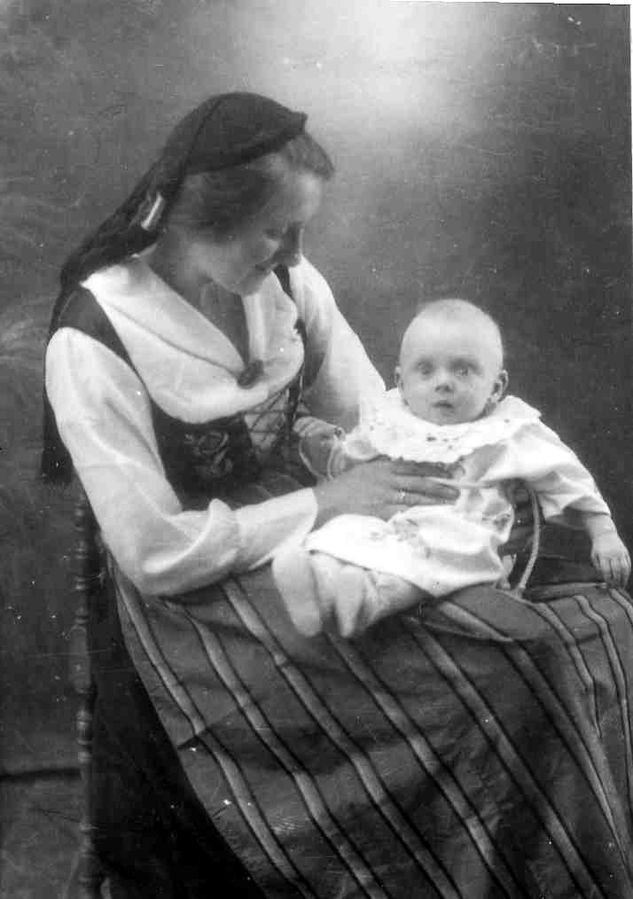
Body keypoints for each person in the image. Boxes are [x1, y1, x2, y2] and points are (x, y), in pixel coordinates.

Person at [42, 93, 633, 898]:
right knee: (511, 671)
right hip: (199, 586)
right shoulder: (94, 334)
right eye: (276, 229)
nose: (293, 250)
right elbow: (153, 553)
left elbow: (368, 415)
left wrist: (457, 477)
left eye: (300, 231)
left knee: (594, 626)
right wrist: (330, 503)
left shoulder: (287, 280)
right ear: (201, 215)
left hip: (335, 516)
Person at [273, 299, 630, 638]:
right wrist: (330, 453)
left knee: (439, 551)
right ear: (401, 383)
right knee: (348, 529)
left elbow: (565, 478)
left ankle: (367, 600)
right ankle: (319, 582)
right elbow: (353, 457)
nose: (443, 382)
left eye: (463, 370)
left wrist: (603, 533)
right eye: (425, 370)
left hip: (465, 530)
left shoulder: (507, 431)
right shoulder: (392, 420)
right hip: (391, 520)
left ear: (496, 386)